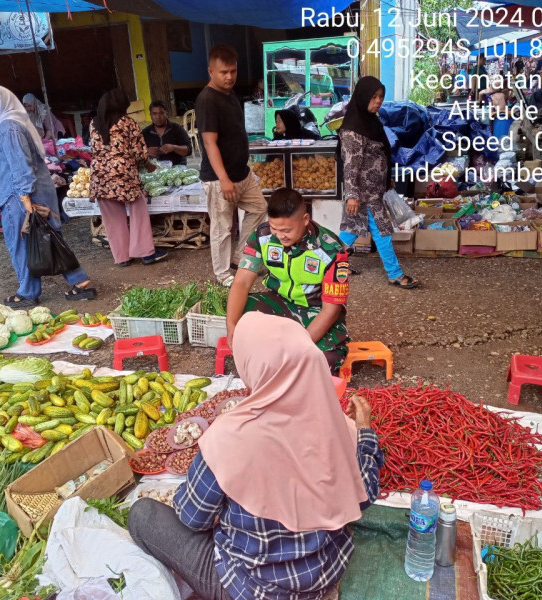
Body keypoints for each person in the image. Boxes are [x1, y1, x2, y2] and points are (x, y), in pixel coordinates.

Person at [128, 311, 383, 600]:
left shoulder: (229, 437)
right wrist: (364, 429)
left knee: (143, 515)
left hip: (255, 590)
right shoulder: (338, 426)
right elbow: (365, 494)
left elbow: (192, 518)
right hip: (325, 575)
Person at [0, 83, 96, 306]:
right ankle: (79, 282)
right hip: (23, 194)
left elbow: (20, 164)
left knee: (21, 243)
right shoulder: (8, 123)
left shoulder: (8, 127)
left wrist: (25, 197)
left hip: (17, 196)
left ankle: (28, 292)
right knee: (48, 238)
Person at [227, 188, 350, 372]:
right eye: (274, 228)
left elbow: (330, 311)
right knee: (241, 312)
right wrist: (232, 327)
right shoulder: (262, 237)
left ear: (305, 220)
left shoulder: (331, 250)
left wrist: (299, 348)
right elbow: (241, 283)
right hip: (279, 304)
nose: (280, 235)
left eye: (287, 230)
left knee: (326, 359)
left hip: (315, 310)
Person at [196, 44, 267, 287]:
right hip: (219, 178)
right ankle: (223, 274)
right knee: (222, 228)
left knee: (259, 208)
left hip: (242, 173)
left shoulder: (230, 94)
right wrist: (224, 180)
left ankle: (239, 257)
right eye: (223, 72)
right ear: (210, 71)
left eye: (233, 71)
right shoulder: (207, 100)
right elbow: (209, 142)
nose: (229, 77)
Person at [337, 76, 417, 289]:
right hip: (363, 193)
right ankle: (394, 274)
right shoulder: (353, 129)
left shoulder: (371, 122)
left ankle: (332, 265)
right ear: (363, 97)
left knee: (350, 231)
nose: (378, 101)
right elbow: (350, 165)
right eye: (373, 97)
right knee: (383, 231)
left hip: (375, 190)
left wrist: (387, 181)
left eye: (381, 96)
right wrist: (352, 195)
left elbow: (381, 156)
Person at [89, 89, 167, 267]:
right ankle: (145, 253)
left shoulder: (94, 124)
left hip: (99, 176)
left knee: (112, 218)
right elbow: (140, 153)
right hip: (123, 174)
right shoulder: (127, 123)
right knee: (138, 210)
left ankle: (122, 257)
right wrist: (149, 166)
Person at [141, 100, 192, 166]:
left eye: (161, 113)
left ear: (166, 113)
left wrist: (174, 147)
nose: (158, 117)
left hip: (176, 167)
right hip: (155, 168)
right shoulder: (145, 132)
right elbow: (136, 154)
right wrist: (146, 152)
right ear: (150, 115)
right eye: (154, 114)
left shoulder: (177, 129)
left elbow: (189, 150)